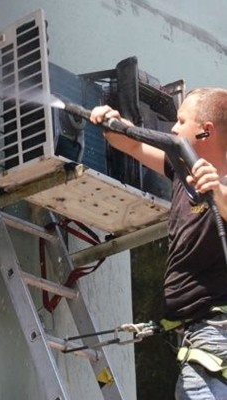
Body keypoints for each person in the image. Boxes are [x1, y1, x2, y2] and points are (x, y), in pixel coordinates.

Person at [90, 88, 227, 400]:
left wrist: (218, 192)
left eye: (181, 121)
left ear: (206, 131)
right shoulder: (183, 171)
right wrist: (112, 124)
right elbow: (133, 144)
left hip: (216, 335)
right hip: (195, 334)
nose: (173, 129)